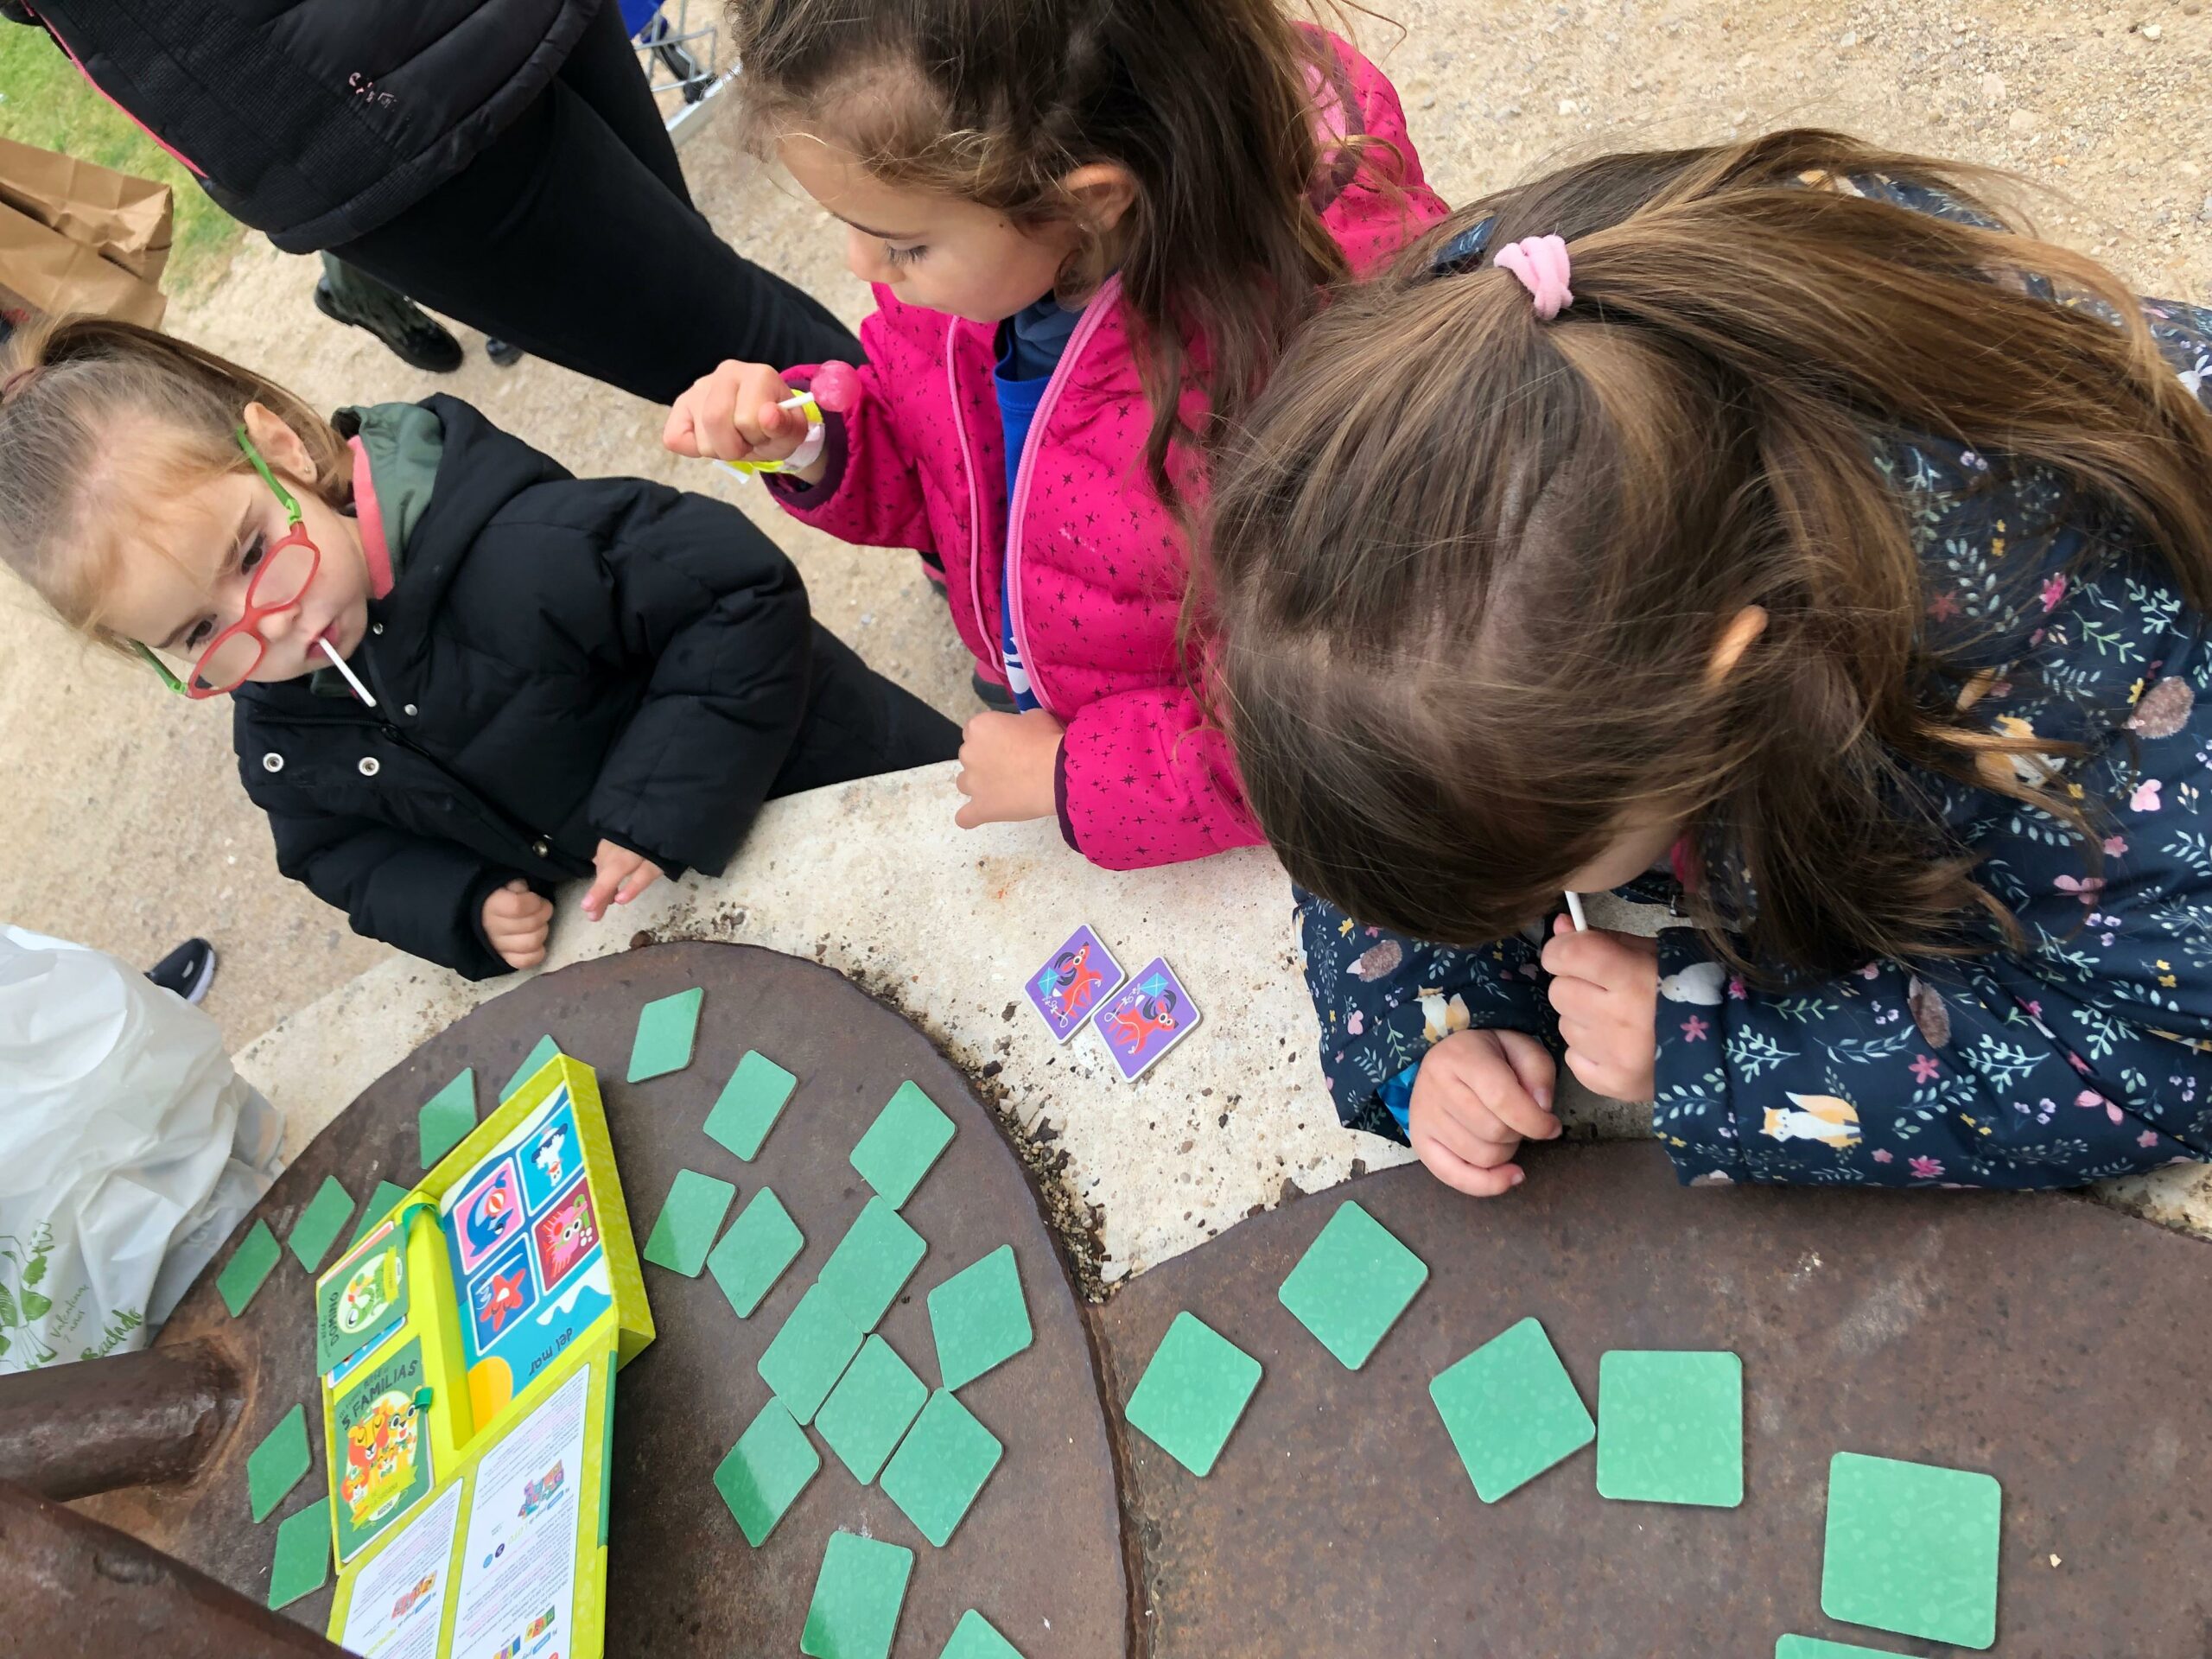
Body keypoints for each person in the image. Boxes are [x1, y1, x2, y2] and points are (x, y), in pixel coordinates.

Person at [1205, 131, 2212, 1196]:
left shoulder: (2105, 718)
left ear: (1720, 685)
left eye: (1546, 866)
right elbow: (1397, 732)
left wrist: (1711, 1051)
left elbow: (2155, 1057)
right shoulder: (1510, 357)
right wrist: (1431, 1016)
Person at [664, 0, 1446, 869]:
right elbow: (940, 461)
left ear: (1092, 205)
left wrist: (1076, 775)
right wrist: (808, 439)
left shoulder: (1301, 380)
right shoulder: (981, 267)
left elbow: (1335, 718)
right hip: (1047, 666)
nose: (860, 266)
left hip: (1157, 775)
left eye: (902, 244)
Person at [0, 318, 958, 980]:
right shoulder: (281, 734)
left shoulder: (521, 546)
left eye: (252, 552)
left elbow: (738, 593)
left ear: (283, 449)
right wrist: (461, 905)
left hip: (838, 780)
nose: (272, 623)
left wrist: (654, 807)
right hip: (712, 920)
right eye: (199, 633)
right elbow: (336, 852)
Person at [11, 0, 856, 404]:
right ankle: (935, 488)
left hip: (353, 119)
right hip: (361, 100)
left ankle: (938, 506)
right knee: (717, 307)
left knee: (726, 343)